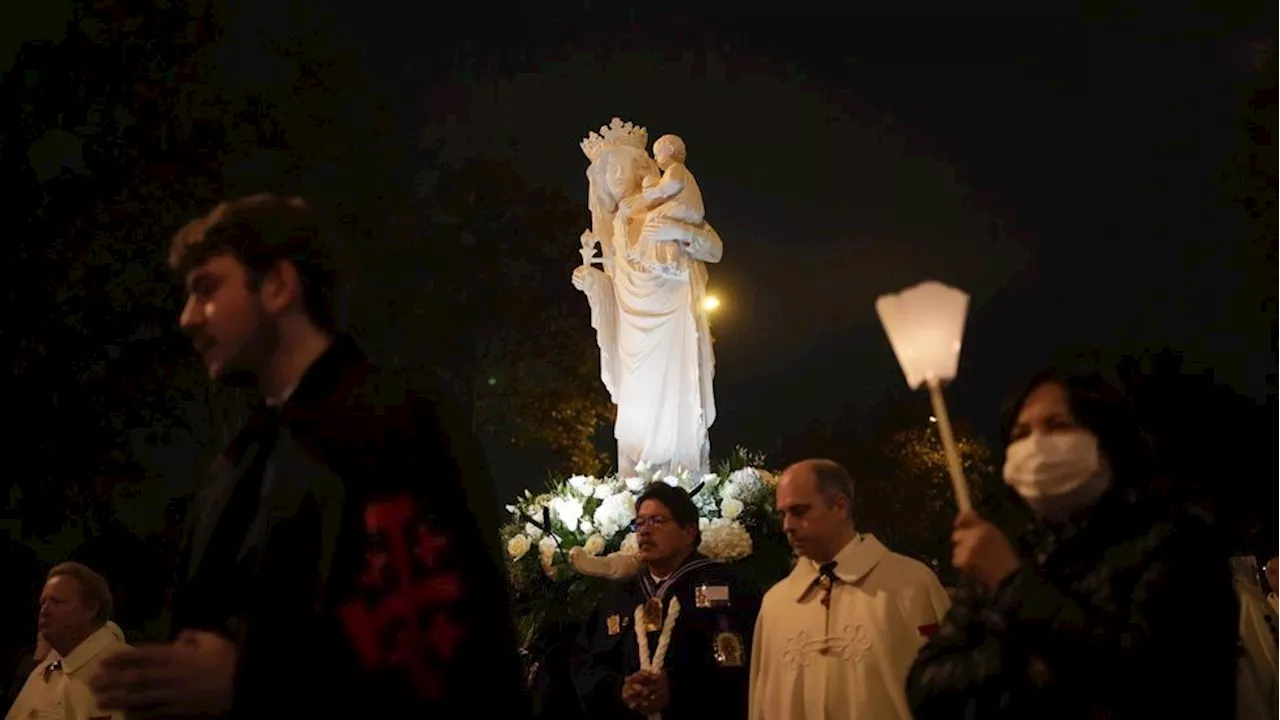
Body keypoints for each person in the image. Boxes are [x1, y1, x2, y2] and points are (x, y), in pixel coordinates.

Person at [89, 194, 527, 718]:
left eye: (207, 289)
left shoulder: (399, 424)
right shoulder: (244, 457)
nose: (187, 318)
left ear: (276, 286)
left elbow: (446, 650)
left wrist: (249, 684)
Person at [907, 369, 1238, 718]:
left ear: (1106, 437)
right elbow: (925, 689)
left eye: (1057, 425)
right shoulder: (1011, 548)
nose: (1035, 445)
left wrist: (1011, 585)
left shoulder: (1176, 541)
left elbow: (1156, 686)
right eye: (1021, 433)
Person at [749, 459, 949, 719]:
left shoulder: (911, 585)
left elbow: (948, 691)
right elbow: (761, 702)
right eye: (782, 514)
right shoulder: (776, 603)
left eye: (799, 511)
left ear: (840, 506)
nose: (788, 525)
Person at [571, 483, 759, 719]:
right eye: (639, 523)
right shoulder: (621, 593)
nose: (644, 531)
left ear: (689, 532)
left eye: (657, 521)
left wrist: (679, 688)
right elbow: (585, 661)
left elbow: (747, 664)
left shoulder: (725, 585)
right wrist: (621, 689)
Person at [7, 562, 128, 720]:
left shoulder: (126, 670)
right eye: (43, 602)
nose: (44, 611)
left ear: (91, 609)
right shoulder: (41, 672)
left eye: (57, 602)